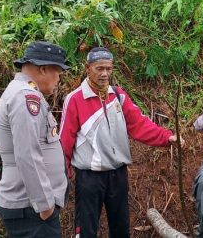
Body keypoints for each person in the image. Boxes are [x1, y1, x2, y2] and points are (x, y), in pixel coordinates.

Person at [59, 47, 181, 238]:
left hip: (118, 174)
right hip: (89, 177)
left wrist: (167, 137)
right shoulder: (75, 99)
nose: (105, 73)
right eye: (99, 68)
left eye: (108, 68)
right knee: (86, 229)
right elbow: (65, 140)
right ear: (87, 68)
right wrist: (62, 174)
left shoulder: (117, 95)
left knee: (121, 227)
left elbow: (138, 124)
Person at [0, 41, 70, 238]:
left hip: (30, 207)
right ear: (43, 69)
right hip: (31, 208)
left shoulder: (23, 92)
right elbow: (27, 154)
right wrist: (45, 206)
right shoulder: (25, 98)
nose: (58, 80)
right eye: (58, 73)